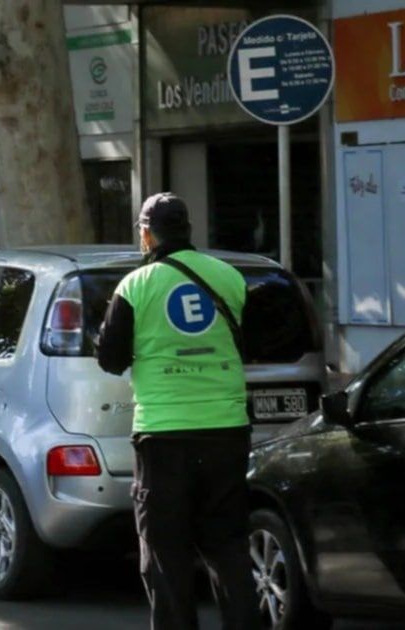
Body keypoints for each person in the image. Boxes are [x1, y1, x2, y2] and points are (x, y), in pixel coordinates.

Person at [96, 193, 257, 630]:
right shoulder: (230, 277)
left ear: (147, 234)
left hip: (163, 435)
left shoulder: (136, 285)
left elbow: (110, 358)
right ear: (187, 230)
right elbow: (256, 341)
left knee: (166, 557)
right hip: (226, 430)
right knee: (229, 549)